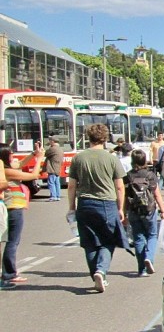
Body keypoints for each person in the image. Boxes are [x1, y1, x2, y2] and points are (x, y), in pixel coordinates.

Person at [68, 123, 128, 293]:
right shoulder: (111, 158)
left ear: (88, 137)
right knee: (108, 240)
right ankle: (101, 271)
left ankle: (95, 272)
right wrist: (120, 208)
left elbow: (72, 186)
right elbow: (119, 187)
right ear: (105, 138)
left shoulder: (78, 158)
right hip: (106, 204)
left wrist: (72, 207)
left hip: (85, 204)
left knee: (89, 242)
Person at [0, 143, 44, 287]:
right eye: (11, 154)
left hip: (14, 206)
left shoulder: (7, 168)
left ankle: (9, 272)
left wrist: (34, 154)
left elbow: (20, 163)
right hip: (12, 206)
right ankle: (9, 273)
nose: (13, 156)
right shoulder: (7, 171)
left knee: (12, 240)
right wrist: (40, 159)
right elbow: (33, 175)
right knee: (12, 241)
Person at [124, 148, 164, 276]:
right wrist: (163, 211)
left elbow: (125, 196)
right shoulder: (150, 175)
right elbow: (157, 194)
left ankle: (142, 269)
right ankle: (149, 257)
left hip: (134, 210)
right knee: (152, 235)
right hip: (149, 210)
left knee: (138, 237)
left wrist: (124, 213)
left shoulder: (128, 176)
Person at [44, 137, 64, 201]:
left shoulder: (53, 149)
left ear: (52, 141)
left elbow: (46, 153)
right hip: (58, 168)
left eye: (50, 141)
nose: (49, 142)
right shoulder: (60, 149)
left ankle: (53, 196)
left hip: (52, 168)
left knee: (51, 182)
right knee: (57, 183)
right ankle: (58, 196)